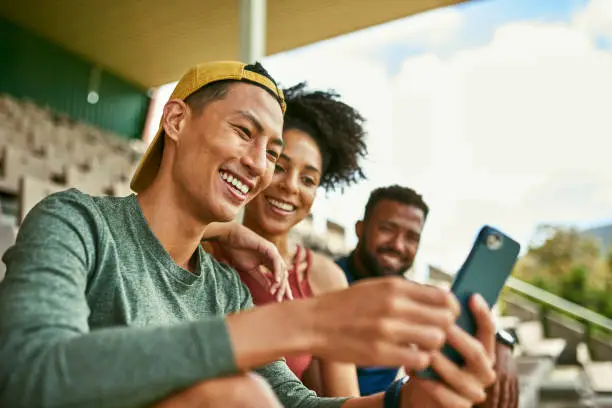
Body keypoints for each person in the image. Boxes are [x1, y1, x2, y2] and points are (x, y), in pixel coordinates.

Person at [0, 61, 497, 408]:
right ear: (175, 120)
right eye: (244, 132)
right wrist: (303, 322)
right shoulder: (75, 222)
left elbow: (296, 403)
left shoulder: (225, 287)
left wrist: (403, 401)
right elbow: (27, 374)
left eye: (271, 151)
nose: (259, 167)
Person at [206, 82, 367, 397]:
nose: (291, 187)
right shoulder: (202, 248)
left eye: (308, 179)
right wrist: (226, 231)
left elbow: (343, 399)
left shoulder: (324, 280)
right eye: (279, 167)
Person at [336, 185, 519, 407]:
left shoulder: (411, 296)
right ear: (360, 229)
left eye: (411, 237)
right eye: (387, 229)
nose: (398, 245)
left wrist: (503, 344)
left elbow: (461, 320)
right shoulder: (327, 284)